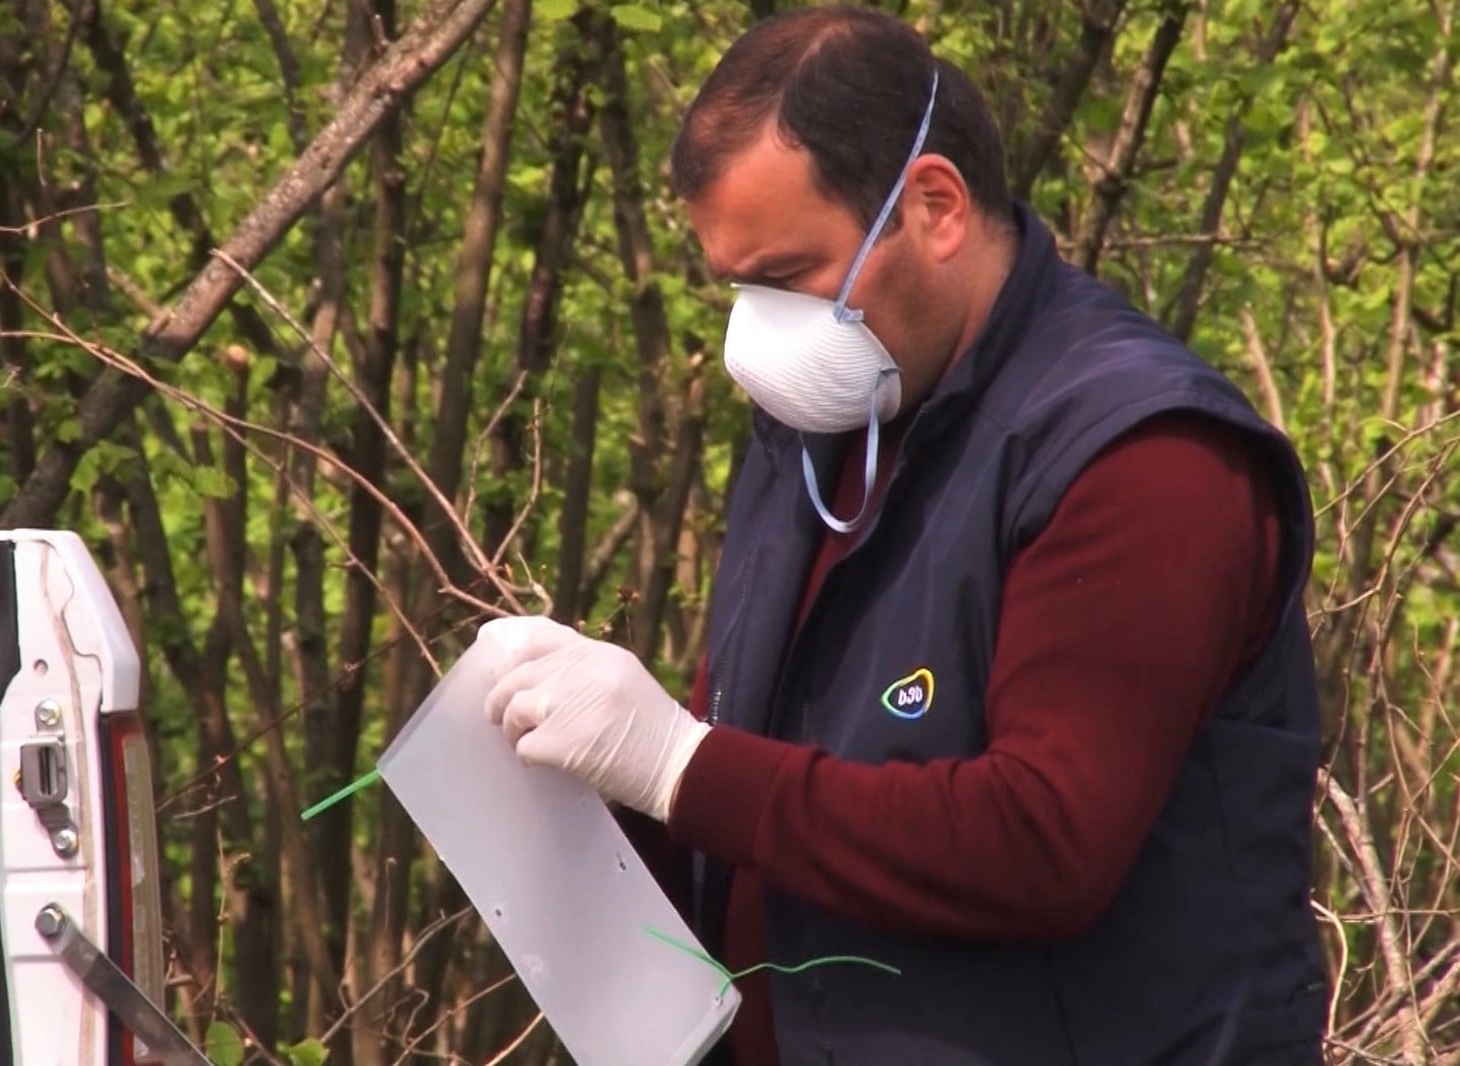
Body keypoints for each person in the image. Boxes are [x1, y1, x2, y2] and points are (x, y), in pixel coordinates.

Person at [472, 5, 1330, 1065]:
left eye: (786, 276)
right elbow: (768, 797)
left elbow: (1042, 841)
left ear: (934, 207)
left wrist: (675, 766)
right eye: (737, 287)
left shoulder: (1141, 456)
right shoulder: (820, 429)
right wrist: (580, 783)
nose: (756, 334)